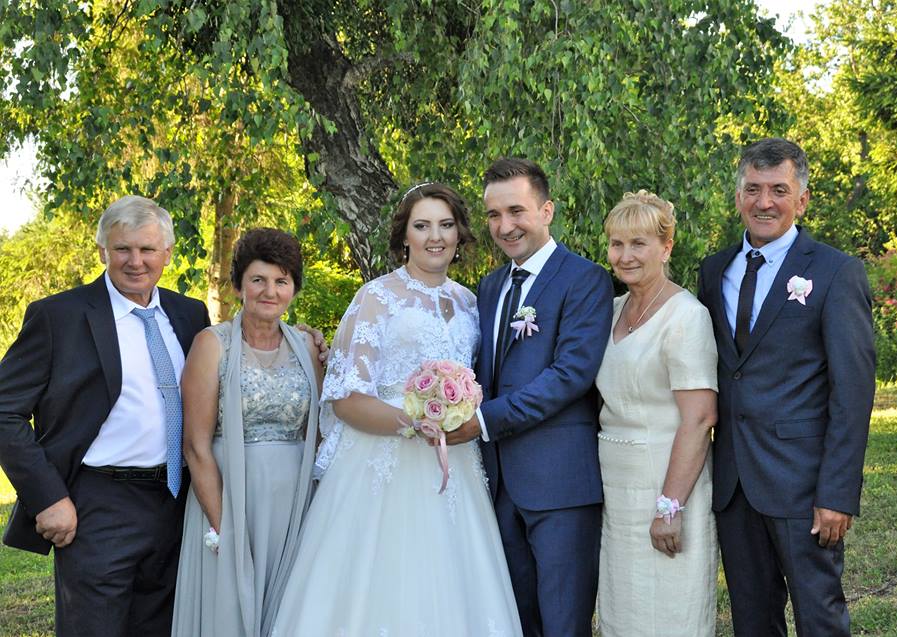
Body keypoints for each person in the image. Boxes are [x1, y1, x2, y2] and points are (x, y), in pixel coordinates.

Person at [269, 182, 522, 635]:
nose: (435, 237)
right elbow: (346, 398)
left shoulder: (469, 302)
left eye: (445, 225)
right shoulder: (376, 297)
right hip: (382, 465)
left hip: (456, 465)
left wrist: (455, 411)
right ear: (404, 235)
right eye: (422, 226)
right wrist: (413, 423)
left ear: (459, 233)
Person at [0, 196, 210, 636]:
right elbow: (4, 411)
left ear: (167, 253)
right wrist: (48, 498)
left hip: (177, 504)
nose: (136, 261)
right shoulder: (58, 316)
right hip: (97, 505)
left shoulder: (191, 315)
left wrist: (308, 343)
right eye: (122, 249)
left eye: (147, 249)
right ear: (102, 251)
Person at [698, 138, 875, 636]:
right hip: (734, 484)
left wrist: (837, 493)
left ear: (802, 199)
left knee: (819, 617)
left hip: (803, 485)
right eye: (753, 189)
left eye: (779, 189)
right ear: (738, 197)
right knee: (752, 621)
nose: (765, 202)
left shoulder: (836, 271)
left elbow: (852, 391)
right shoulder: (714, 271)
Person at [444, 158, 614, 636]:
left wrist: (483, 421)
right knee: (515, 621)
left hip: (560, 484)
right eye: (494, 215)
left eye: (516, 211)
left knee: (563, 623)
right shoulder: (490, 286)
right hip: (497, 484)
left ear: (546, 210)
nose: (505, 226)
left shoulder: (585, 279)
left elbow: (570, 375)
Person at [171, 228, 323, 636]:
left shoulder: (308, 347)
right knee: (231, 609)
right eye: (258, 279)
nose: (269, 291)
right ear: (238, 286)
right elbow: (195, 446)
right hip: (230, 496)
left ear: (293, 289)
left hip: (294, 501)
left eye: (281, 281)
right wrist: (226, 526)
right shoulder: (211, 344)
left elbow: (319, 433)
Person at [594, 191, 719, 636]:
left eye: (638, 243)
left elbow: (700, 419)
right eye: (617, 244)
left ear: (666, 248)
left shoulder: (686, 316)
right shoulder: (611, 311)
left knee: (669, 609)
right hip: (616, 488)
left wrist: (670, 506)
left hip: (666, 482)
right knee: (623, 609)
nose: (625, 255)